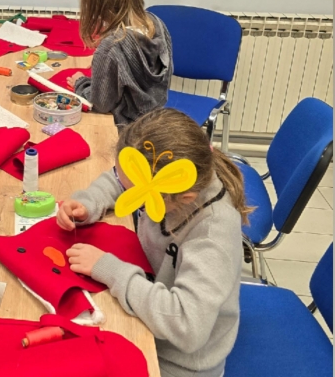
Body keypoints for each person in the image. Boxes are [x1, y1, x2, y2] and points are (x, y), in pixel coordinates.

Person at [57, 109, 250, 377]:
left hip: (178, 362)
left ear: (184, 199)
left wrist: (111, 269)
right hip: (150, 309)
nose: (130, 194)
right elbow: (119, 179)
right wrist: (89, 202)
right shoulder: (177, 183)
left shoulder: (212, 236)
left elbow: (187, 326)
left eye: (139, 196)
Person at [67, 0, 173, 125]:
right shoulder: (157, 25)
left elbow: (101, 104)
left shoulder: (112, 46)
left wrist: (81, 83)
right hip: (152, 122)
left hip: (122, 128)